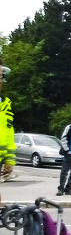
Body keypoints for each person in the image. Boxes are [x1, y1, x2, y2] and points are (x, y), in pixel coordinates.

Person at [0, 57, 16, 190]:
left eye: (1, 77)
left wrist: (9, 160)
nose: (1, 81)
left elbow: (9, 133)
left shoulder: (6, 104)